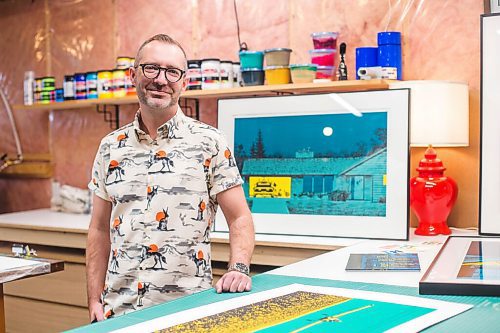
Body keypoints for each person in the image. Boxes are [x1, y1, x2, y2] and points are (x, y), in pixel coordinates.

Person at [86, 34, 255, 321]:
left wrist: (238, 268)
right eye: (151, 68)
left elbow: (239, 217)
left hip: (187, 309)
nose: (161, 80)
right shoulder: (109, 147)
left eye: (172, 72)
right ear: (133, 75)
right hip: (119, 310)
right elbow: (99, 230)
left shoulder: (209, 142)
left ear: (184, 82)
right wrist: (94, 300)